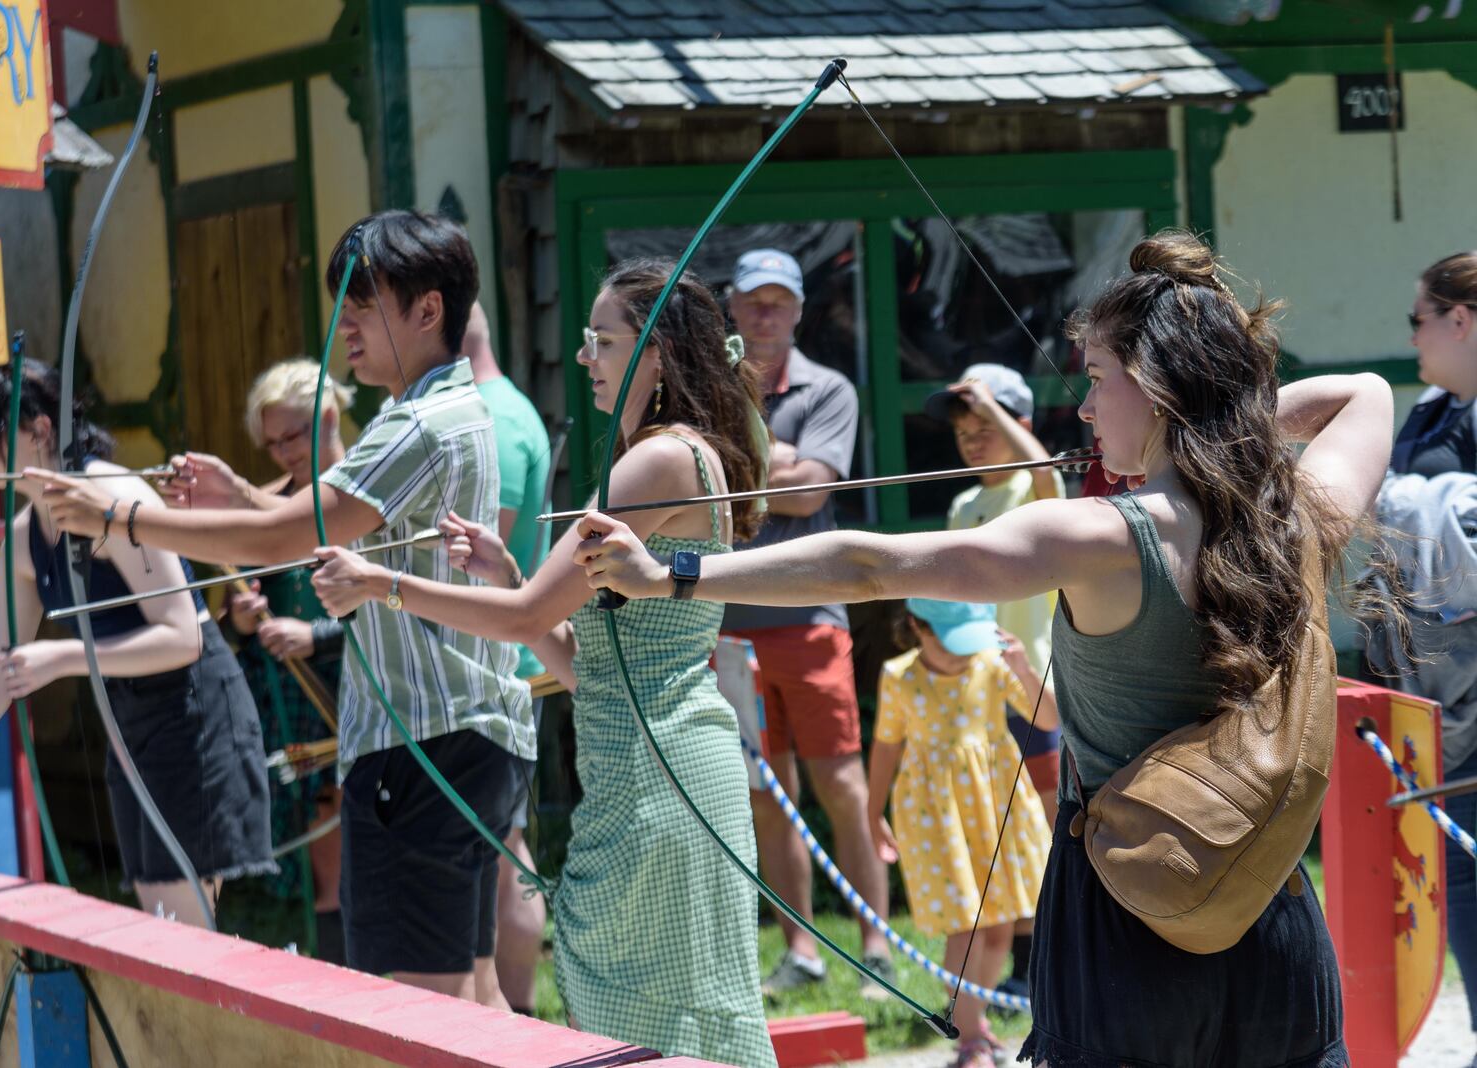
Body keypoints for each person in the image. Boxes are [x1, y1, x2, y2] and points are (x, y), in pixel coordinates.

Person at [578, 231, 1393, 1068]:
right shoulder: (1294, 521)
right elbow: (1365, 395)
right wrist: (1226, 429)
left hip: (1128, 919)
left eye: (1100, 379)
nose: (1082, 408)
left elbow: (866, 564)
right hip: (1273, 916)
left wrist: (669, 571)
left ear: (1155, 389)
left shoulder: (1097, 537)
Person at [37, 210, 535, 1008]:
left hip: (426, 749)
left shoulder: (419, 423)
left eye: (363, 304)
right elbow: (321, 521)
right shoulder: (448, 411)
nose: (346, 327)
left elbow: (283, 531)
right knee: (477, 999)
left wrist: (118, 518)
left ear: (428, 309)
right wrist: (234, 496)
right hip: (460, 739)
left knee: (433, 1012)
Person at [307, 259, 777, 1068]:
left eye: (604, 340)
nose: (587, 356)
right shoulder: (663, 456)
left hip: (662, 776)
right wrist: (509, 576)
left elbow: (529, 620)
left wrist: (383, 582)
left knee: (658, 1026)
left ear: (655, 353)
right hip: (640, 768)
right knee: (640, 1017)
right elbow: (577, 658)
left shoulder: (659, 461)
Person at [0, 358, 276, 927]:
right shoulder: (20, 539)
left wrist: (63, 657)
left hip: (194, 713)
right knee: (160, 916)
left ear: (40, 431)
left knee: (186, 927)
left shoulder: (109, 493)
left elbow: (182, 635)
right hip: (130, 720)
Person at [722, 247, 894, 997]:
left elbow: (807, 493)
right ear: (732, 307)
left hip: (812, 613)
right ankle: (802, 950)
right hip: (727, 622)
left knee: (842, 786)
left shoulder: (829, 389)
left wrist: (743, 476)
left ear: (798, 310)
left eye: (779, 301)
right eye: (753, 301)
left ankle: (879, 949)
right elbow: (713, 492)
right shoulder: (709, 393)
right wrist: (777, 466)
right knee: (766, 791)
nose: (766, 313)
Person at [171, 358, 354, 963]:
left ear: (327, 416)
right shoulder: (269, 504)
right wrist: (241, 622)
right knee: (322, 856)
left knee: (363, 851)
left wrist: (317, 635)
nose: (280, 455)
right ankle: (337, 984)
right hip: (295, 704)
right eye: (271, 443)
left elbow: (394, 606)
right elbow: (233, 618)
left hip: (358, 686)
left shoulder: (366, 494)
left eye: (292, 437)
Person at [926, 362, 1063, 1002]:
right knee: (999, 830)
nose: (971, 438)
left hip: (1035, 685)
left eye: (984, 423)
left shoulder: (1036, 492)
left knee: (1041, 821)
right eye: (962, 428)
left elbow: (1045, 474)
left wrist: (994, 405)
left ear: (1019, 423)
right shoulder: (962, 504)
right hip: (979, 691)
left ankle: (1050, 958)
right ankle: (1020, 963)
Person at [868, 600, 1053, 1068]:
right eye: (950, 644)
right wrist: (873, 814)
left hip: (994, 805)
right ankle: (969, 1034)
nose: (960, 656)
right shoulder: (900, 676)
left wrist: (1025, 669)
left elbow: (1049, 719)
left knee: (1001, 926)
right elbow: (886, 744)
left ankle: (973, 1020)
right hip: (937, 816)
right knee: (965, 924)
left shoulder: (990, 663)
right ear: (916, 626)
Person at [1381, 251, 1477, 1047]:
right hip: (1437, 693)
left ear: (1460, 319)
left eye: (1418, 319)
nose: (1410, 337)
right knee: (1462, 878)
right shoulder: (1428, 414)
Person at [462, 300, 552, 1015]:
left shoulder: (494, 416)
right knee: (502, 849)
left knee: (503, 853)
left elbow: (481, 554)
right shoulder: (501, 406)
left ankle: (515, 1019)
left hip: (491, 671)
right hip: (497, 666)